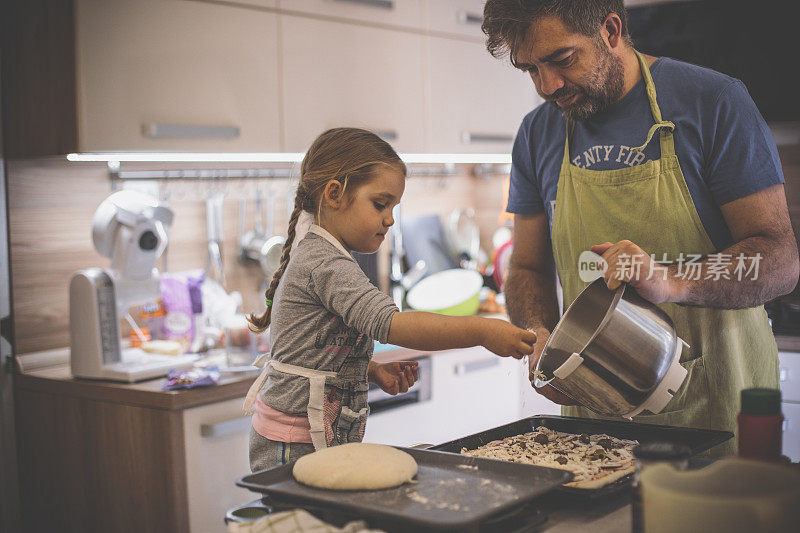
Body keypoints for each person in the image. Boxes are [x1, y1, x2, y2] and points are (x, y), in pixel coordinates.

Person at [481, 0, 799, 455]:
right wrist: (539, 337)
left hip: (715, 410)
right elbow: (527, 265)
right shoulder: (537, 134)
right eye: (529, 69)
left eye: (562, 59)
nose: (547, 85)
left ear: (610, 30)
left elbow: (781, 261)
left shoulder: (713, 102)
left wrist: (671, 280)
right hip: (591, 422)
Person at [244, 127, 537, 471]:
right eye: (380, 204)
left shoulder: (325, 254)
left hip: (306, 436)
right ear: (335, 194)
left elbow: (316, 352)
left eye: (393, 206)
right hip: (293, 444)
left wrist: (369, 371)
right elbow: (392, 325)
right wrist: (483, 332)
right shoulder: (325, 262)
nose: (390, 219)